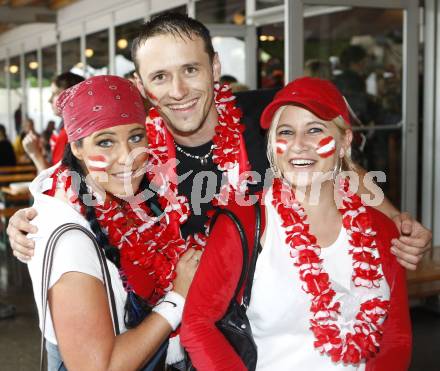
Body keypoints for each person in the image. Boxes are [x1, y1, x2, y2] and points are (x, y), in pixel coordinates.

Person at [7, 13, 431, 290]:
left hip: (283, 310)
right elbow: (68, 184)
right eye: (160, 77)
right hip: (182, 328)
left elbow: (338, 165)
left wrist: (397, 221)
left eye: (190, 70)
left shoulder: (266, 115)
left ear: (213, 67)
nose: (177, 92)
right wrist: (27, 223)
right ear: (141, 85)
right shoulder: (131, 148)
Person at [181, 77, 412, 370]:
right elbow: (198, 324)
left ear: (344, 142)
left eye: (315, 130)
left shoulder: (381, 229)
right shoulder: (247, 220)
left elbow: (396, 338)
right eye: (286, 132)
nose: (298, 145)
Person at [26, 75, 200, 370]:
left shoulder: (123, 192)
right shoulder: (71, 242)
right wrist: (178, 297)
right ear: (77, 148)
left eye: (135, 137)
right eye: (105, 142)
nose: (128, 157)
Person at [23, 72, 85, 173]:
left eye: (55, 93)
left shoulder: (69, 133)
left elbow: (55, 181)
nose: (49, 100)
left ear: (69, 97)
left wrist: (35, 154)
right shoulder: (66, 128)